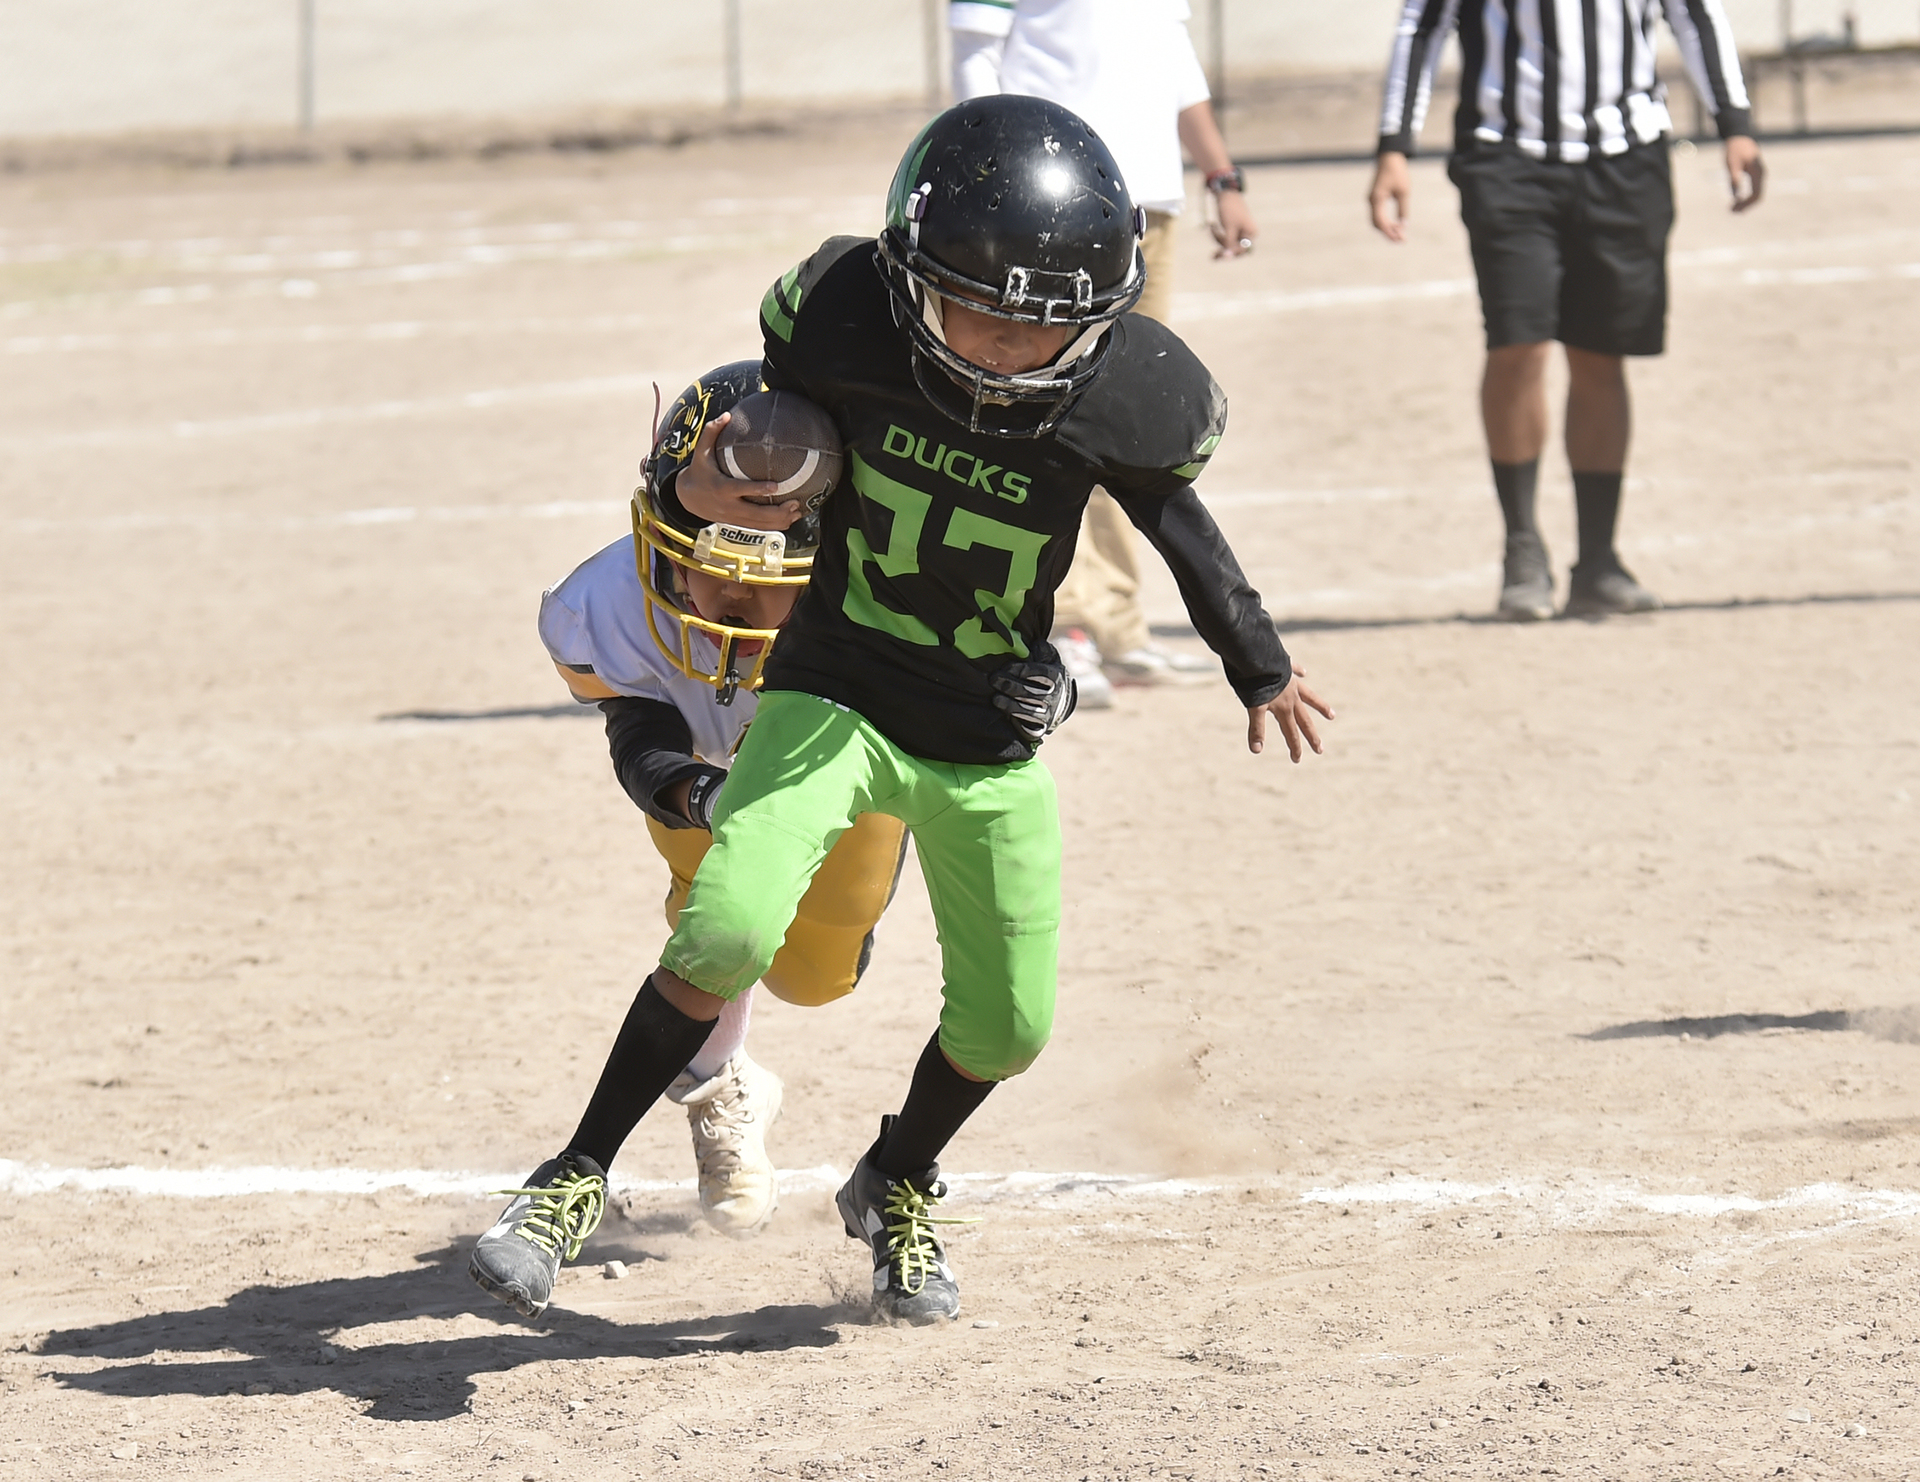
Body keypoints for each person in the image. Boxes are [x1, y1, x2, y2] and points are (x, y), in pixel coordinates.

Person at [469, 95, 1331, 1328]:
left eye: (1033, 331)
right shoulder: (846, 325)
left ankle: (899, 1177)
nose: (997, 351)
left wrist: (1258, 665)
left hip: (980, 733)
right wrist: (734, 473)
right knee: (726, 925)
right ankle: (571, 1177)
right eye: (971, 310)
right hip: (832, 689)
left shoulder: (1124, 401)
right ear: (910, 277)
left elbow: (1175, 525)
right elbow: (766, 427)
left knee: (1011, 1024)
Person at [472, 363, 909, 1304]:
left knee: (816, 974)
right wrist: (709, 801)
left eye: (765, 579)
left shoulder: (872, 600)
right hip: (703, 782)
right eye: (711, 565)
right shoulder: (602, 605)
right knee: (713, 924)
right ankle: (717, 1086)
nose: (727, 605)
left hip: (837, 770)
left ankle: (728, 1065)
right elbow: (640, 739)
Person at [1367, 0, 1764, 619]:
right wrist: (1395, 145)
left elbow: (1696, 15)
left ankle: (1599, 561)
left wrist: (1734, 121)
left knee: (1601, 356)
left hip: (1628, 158)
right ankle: (1522, 548)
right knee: (1517, 344)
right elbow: (1422, 22)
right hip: (1507, 157)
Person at [950, 0, 1257, 692]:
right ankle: (1067, 627)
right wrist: (994, 186)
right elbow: (975, 55)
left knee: (1129, 420)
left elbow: (1173, 56)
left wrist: (1221, 174)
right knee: (1053, 415)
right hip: (1049, 212)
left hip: (1147, 205)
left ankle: (1118, 625)